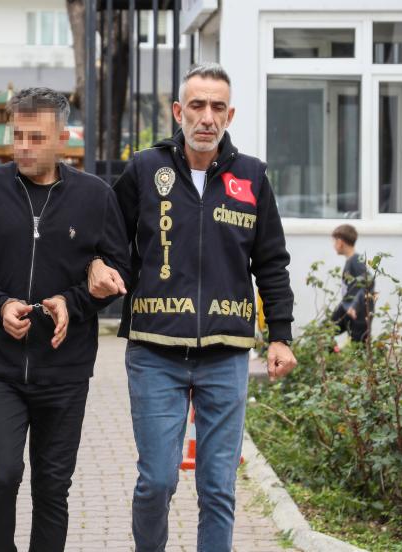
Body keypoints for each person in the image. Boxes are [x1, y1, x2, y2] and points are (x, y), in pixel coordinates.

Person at [88, 63, 298, 552]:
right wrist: (96, 264)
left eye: (217, 107)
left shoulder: (252, 177)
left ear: (230, 115)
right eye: (198, 106)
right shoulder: (144, 169)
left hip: (226, 354)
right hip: (154, 351)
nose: (207, 117)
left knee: (218, 487)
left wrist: (281, 335)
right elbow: (108, 239)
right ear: (178, 111)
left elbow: (271, 262)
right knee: (157, 481)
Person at [0, 87, 130, 552]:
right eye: (18, 135)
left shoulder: (95, 197)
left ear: (63, 139)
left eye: (36, 137)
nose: (23, 146)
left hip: (66, 371)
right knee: (1, 475)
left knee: (52, 487)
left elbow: (117, 273)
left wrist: (72, 301)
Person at [330, 224, 373, 342]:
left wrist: (354, 306)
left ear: (340, 242)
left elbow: (369, 281)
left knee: (358, 345)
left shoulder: (356, 261)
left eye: (334, 241)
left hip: (358, 313)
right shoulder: (351, 260)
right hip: (346, 307)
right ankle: (332, 353)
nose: (333, 245)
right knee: (326, 331)